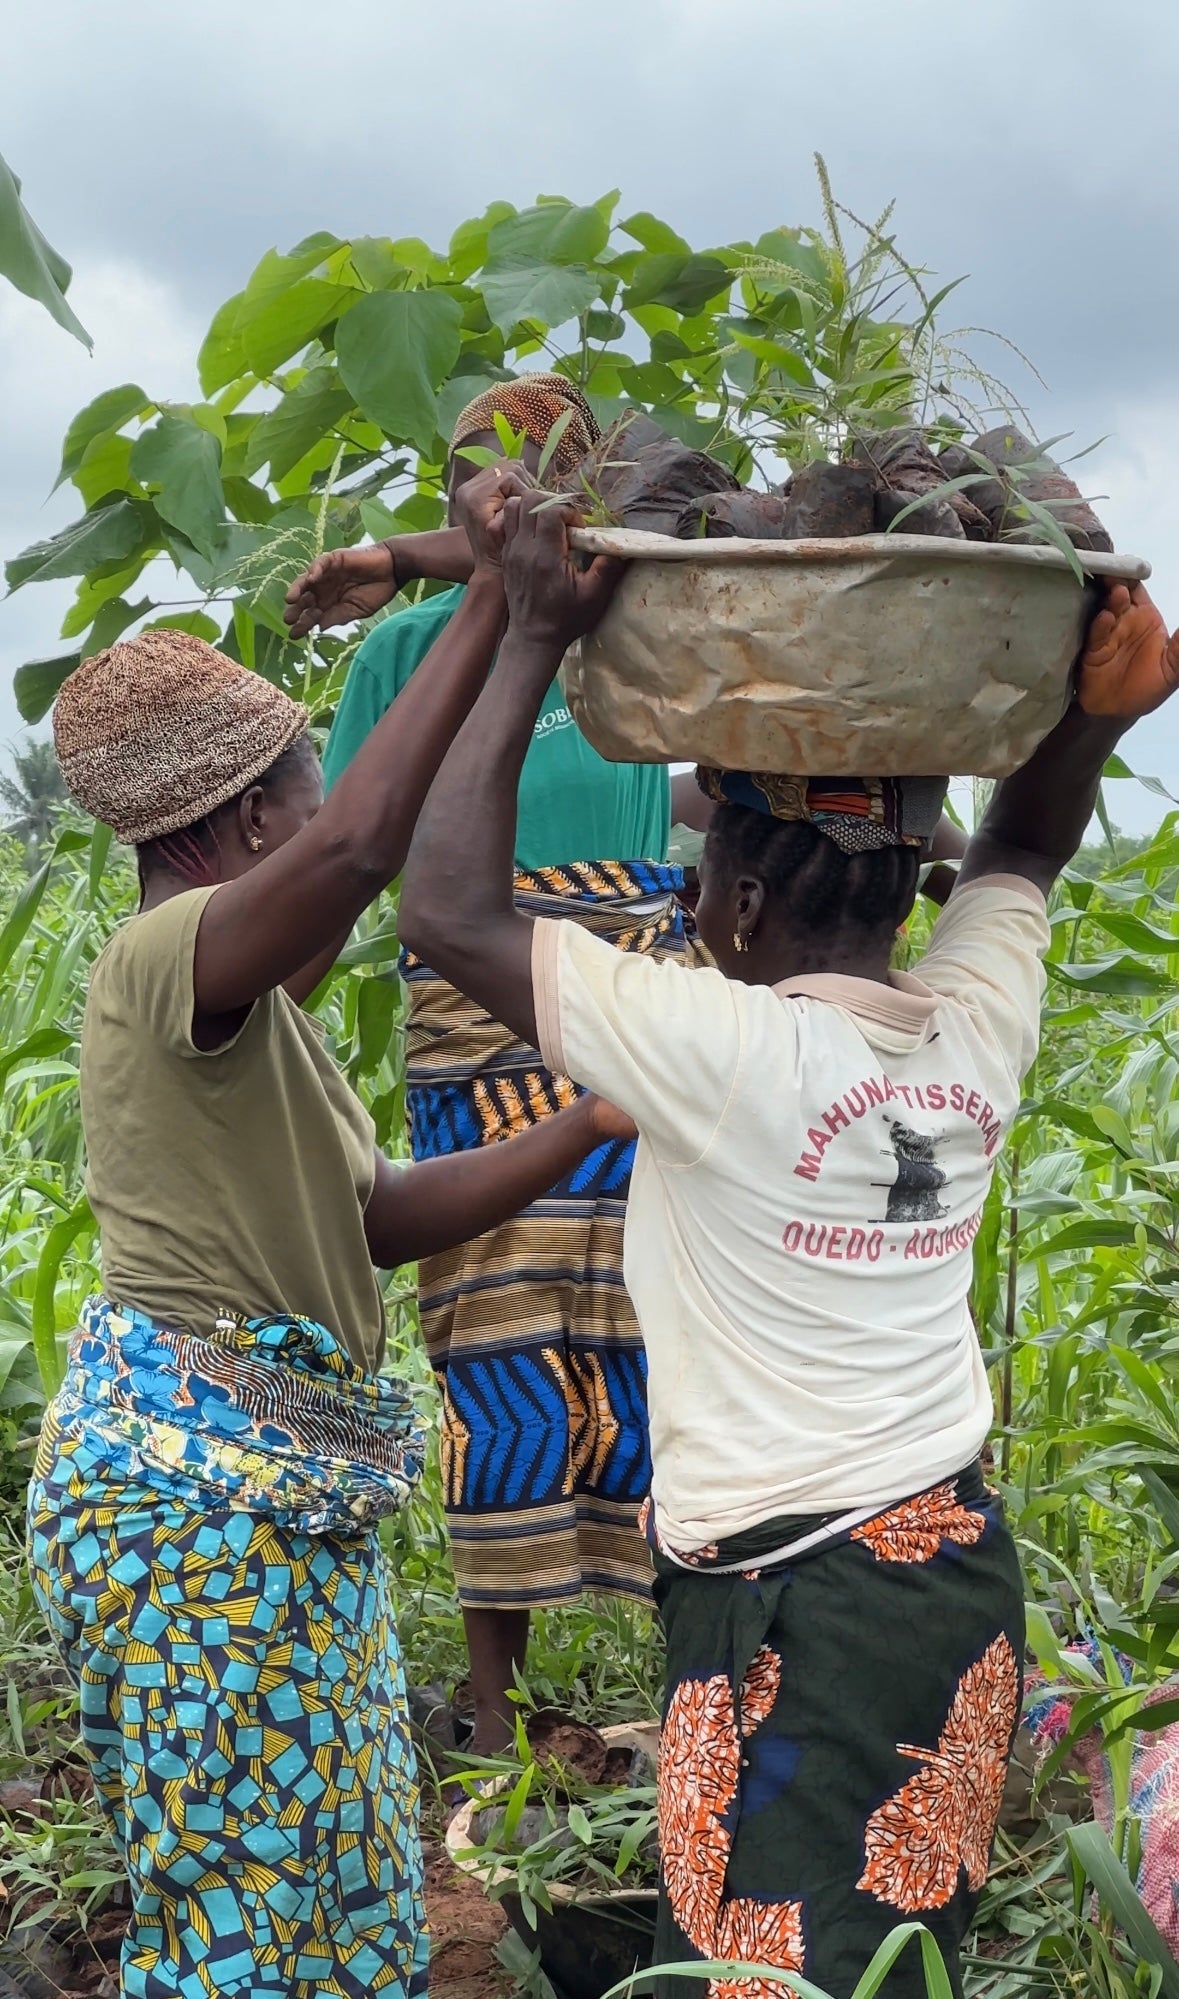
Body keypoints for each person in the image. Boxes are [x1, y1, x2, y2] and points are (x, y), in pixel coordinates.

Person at [397, 494, 1179, 1999]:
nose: (688, 909)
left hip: (798, 1608)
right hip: (952, 1581)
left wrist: (530, 635)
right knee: (889, 1955)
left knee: (773, 1977)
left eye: (701, 887)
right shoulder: (974, 1022)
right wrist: (1093, 718)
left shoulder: (729, 1048)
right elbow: (1020, 847)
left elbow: (445, 910)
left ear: (743, 902)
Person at [28, 479, 636, 1999]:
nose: (332, 838)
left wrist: (590, 1117)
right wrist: (498, 603)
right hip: (194, 1519)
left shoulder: (252, 1024)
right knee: (236, 1912)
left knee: (346, 1875)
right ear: (250, 823)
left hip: (279, 1500)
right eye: (311, 799)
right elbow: (366, 848)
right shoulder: (168, 955)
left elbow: (377, 1219)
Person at [285, 373, 710, 1754]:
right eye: (486, 472)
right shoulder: (404, 658)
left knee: (665, 1341)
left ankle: (689, 1683)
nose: (512, 496)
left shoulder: (636, 627)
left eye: (547, 471)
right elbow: (356, 843)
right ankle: (497, 1713)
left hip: (635, 1012)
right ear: (451, 490)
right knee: (494, 1357)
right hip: (477, 1027)